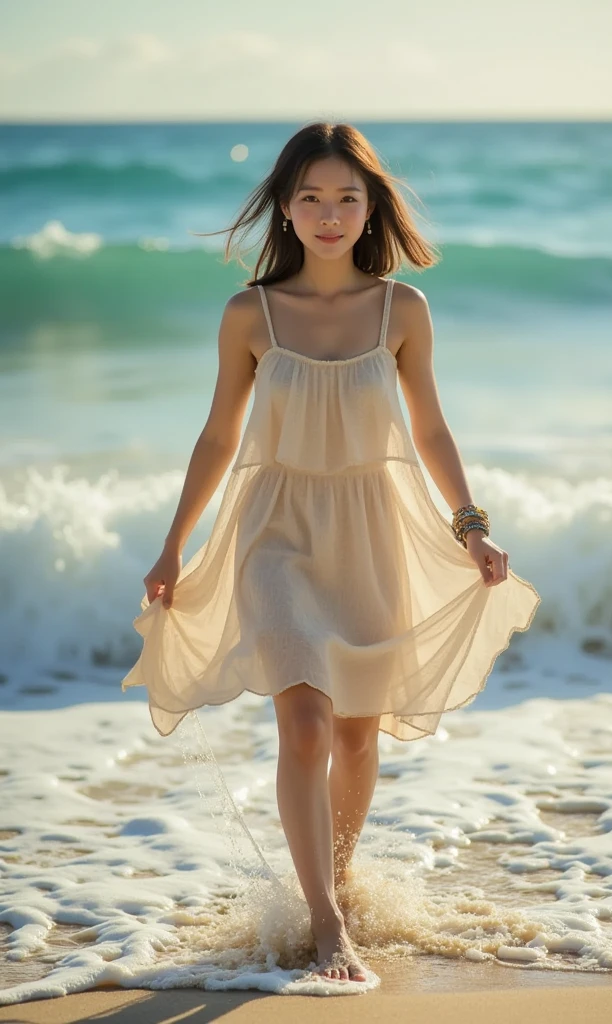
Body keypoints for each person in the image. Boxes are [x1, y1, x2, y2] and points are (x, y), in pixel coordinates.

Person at [121, 121, 541, 984]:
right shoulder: (251, 312)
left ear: (370, 207)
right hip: (272, 530)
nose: (328, 212)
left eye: (347, 196)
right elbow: (215, 437)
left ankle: (338, 883)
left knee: (355, 736)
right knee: (305, 723)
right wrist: (172, 545)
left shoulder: (402, 309)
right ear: (284, 204)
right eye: (310, 195)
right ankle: (323, 925)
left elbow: (428, 425)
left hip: (373, 529)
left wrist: (471, 525)